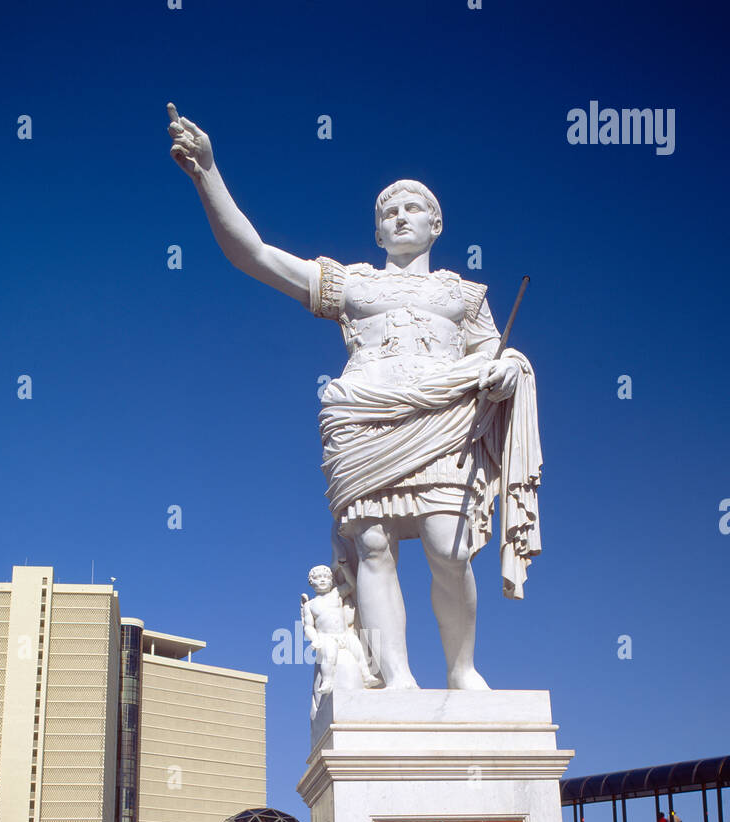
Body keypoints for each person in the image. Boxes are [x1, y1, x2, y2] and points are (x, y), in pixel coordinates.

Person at [168, 105, 543, 691]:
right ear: (376, 231)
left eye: (412, 208)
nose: (399, 217)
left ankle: (461, 669)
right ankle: (398, 679)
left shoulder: (465, 294)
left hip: (443, 418)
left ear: (435, 225)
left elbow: (495, 355)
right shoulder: (352, 282)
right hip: (363, 417)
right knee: (372, 544)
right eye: (387, 212)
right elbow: (256, 256)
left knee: (449, 547)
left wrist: (506, 372)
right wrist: (208, 173)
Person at [302, 564, 381, 715]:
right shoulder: (310, 605)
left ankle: (366, 676)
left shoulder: (336, 594)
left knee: (358, 649)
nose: (323, 580)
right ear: (312, 582)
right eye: (318, 578)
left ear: (331, 580)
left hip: (344, 634)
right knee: (329, 655)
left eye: (326, 577)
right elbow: (308, 626)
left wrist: (345, 568)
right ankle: (327, 680)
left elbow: (351, 585)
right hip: (326, 636)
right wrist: (314, 639)